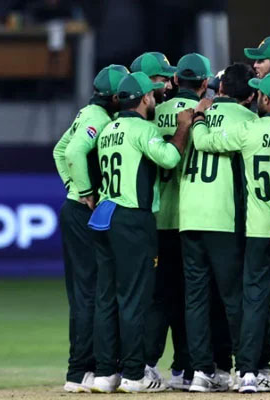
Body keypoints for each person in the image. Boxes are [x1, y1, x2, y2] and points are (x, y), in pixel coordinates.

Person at [192, 72, 270, 393]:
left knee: (254, 301)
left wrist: (200, 116)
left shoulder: (249, 130)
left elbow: (203, 142)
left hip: (259, 229)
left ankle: (247, 373)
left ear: (266, 99)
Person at [89, 71, 193, 393]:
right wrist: (183, 127)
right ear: (146, 98)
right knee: (134, 299)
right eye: (152, 94)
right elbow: (170, 158)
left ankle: (105, 373)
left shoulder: (108, 129)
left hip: (104, 214)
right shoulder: (143, 129)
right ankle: (134, 374)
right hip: (132, 217)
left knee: (106, 299)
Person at [176, 58, 258, 392]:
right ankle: (246, 370)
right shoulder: (249, 119)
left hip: (188, 214)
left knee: (195, 299)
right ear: (251, 96)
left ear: (220, 87)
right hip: (223, 217)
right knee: (234, 298)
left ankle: (200, 372)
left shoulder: (198, 113)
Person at [52, 64, 128, 393]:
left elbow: (58, 151)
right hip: (84, 213)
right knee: (91, 293)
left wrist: (71, 185)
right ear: (114, 97)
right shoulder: (98, 119)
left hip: (75, 209)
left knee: (85, 292)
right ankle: (81, 370)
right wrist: (84, 192)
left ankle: (82, 368)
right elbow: (72, 151)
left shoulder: (86, 113)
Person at [128, 50, 190, 390]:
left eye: (168, 78)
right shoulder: (189, 113)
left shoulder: (142, 118)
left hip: (158, 219)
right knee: (181, 298)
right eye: (159, 79)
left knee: (160, 299)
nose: (165, 84)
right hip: (177, 218)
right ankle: (179, 367)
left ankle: (150, 364)